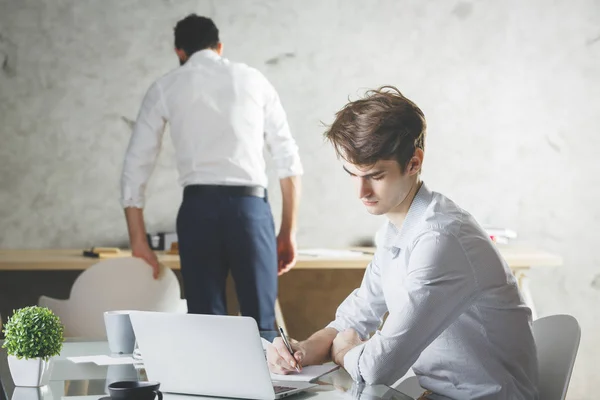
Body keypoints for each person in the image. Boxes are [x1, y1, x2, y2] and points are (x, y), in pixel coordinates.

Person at [267, 86, 538, 399]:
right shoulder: (395, 230)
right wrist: (301, 350)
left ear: (413, 163)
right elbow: (355, 317)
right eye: (352, 174)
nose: (361, 192)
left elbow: (378, 367)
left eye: (375, 175)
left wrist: (343, 353)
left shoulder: (440, 238)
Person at [120, 14, 302, 332]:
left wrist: (139, 239)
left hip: (197, 211)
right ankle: (271, 381)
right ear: (219, 46)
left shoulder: (165, 86)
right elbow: (288, 161)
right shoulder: (254, 80)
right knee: (262, 323)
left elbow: (136, 166)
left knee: (206, 328)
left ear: (179, 52)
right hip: (250, 209)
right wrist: (288, 232)